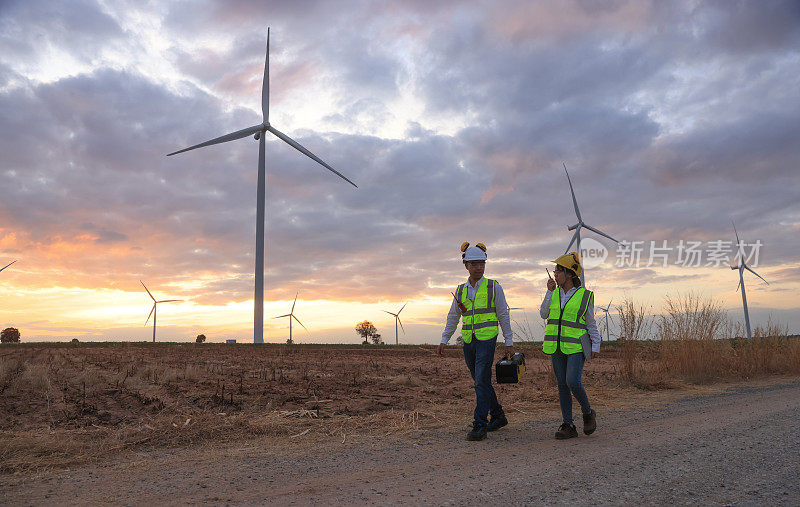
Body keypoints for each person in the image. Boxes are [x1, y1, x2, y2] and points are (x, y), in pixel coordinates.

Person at [437, 242, 515, 441]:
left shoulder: (493, 287)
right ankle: (498, 415)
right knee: (480, 381)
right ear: (466, 265)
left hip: (487, 339)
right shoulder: (460, 290)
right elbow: (453, 316)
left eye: (482, 263)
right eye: (475, 264)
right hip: (469, 341)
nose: (479, 267)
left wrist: (509, 340)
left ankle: (480, 424)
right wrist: (444, 339)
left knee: (481, 381)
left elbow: (503, 314)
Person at [540, 252, 600, 439]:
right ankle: (568, 425)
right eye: (555, 271)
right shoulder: (554, 293)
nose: (555, 274)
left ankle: (588, 412)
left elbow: (590, 323)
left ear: (571, 274)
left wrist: (596, 345)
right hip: (556, 346)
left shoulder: (584, 296)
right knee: (562, 385)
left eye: (558, 271)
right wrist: (549, 292)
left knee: (572, 381)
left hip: (576, 346)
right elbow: (543, 314)